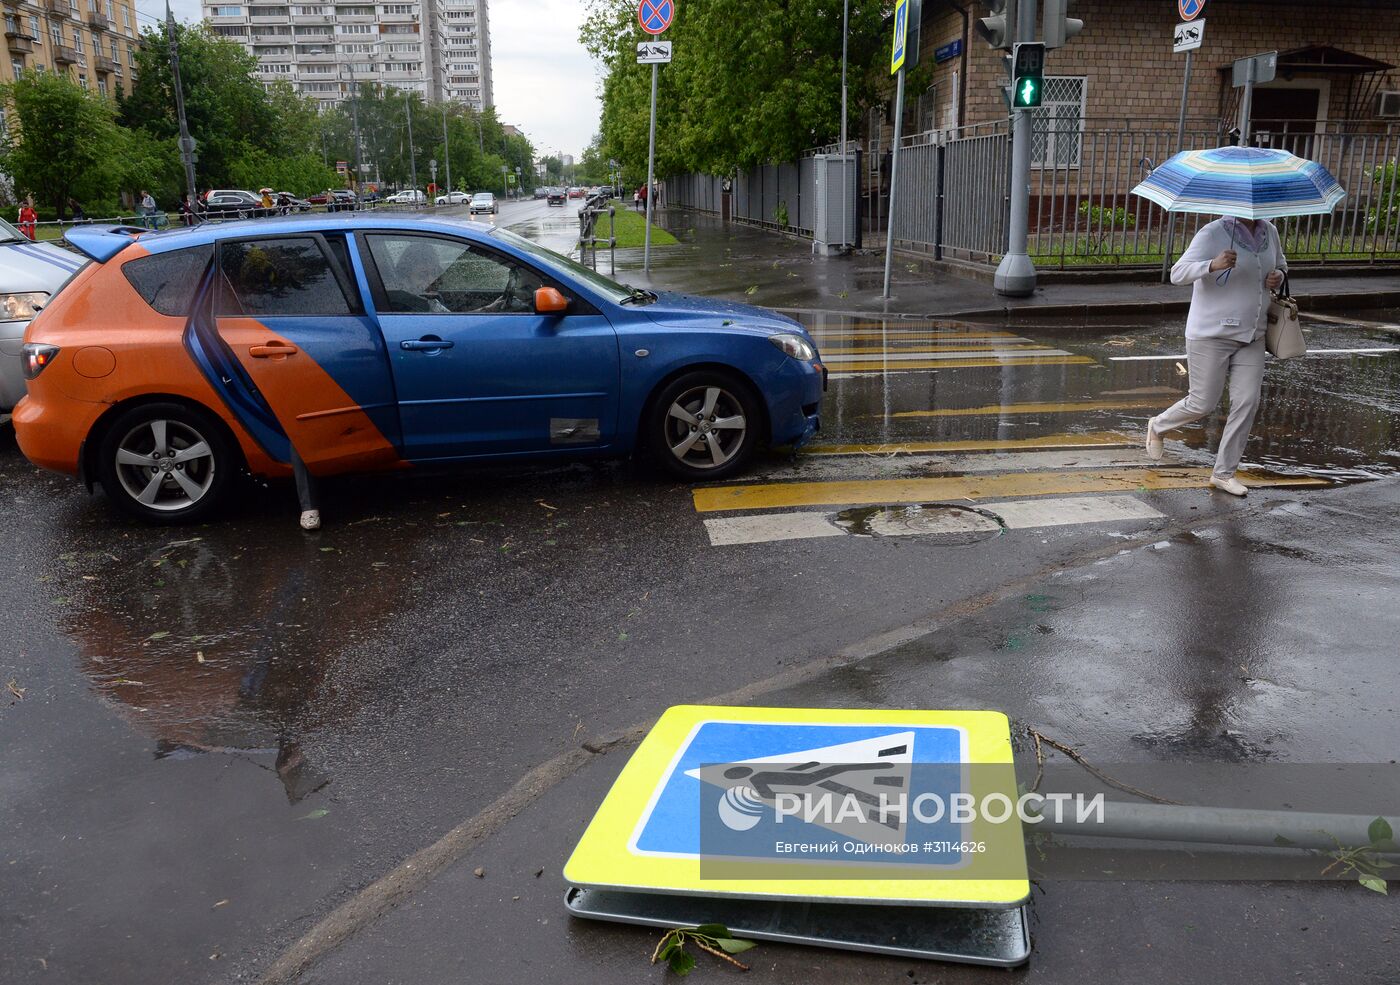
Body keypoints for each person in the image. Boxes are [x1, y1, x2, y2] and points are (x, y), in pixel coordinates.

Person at [1147, 215, 1288, 496]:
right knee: (1202, 403)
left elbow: (1282, 265)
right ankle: (1158, 425)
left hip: (1253, 334)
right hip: (1211, 334)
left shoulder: (1270, 231)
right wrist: (1213, 264)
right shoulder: (1212, 233)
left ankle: (1223, 474)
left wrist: (1279, 276)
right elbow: (1178, 273)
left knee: (1247, 402)